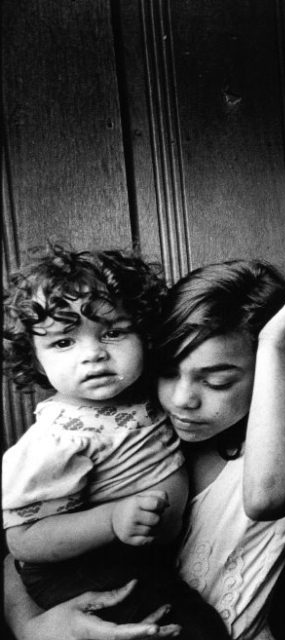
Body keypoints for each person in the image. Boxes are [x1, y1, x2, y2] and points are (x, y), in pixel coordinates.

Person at [5, 258, 285, 640]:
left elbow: (266, 497)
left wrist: (275, 347)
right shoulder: (136, 434)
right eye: (167, 371)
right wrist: (32, 627)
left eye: (216, 381)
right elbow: (20, 551)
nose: (182, 400)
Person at [1, 245, 227, 638]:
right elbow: (22, 541)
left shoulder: (148, 390)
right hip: (83, 568)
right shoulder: (58, 438)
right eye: (63, 342)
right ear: (35, 360)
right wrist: (110, 520)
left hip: (144, 558)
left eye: (113, 332)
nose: (94, 355)